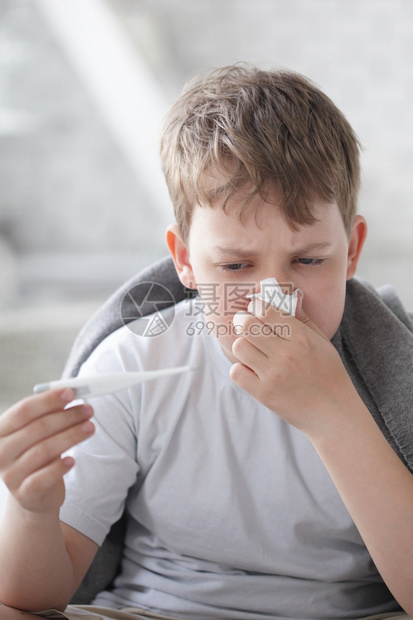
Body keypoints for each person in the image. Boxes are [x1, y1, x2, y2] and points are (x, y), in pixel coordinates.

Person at [0, 64, 412, 620]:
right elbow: (36, 596)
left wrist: (332, 414)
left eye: (309, 260)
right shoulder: (135, 360)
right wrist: (32, 512)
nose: (274, 300)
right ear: (186, 260)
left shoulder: (395, 367)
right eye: (236, 265)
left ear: (352, 251)